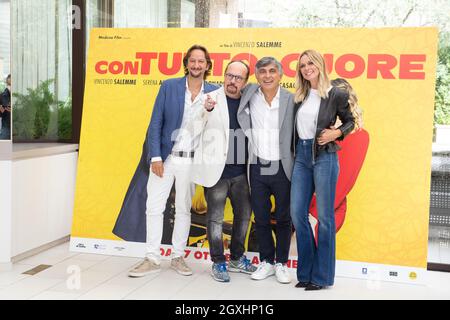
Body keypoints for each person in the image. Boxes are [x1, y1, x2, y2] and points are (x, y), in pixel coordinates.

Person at [112, 45, 218, 277]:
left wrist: (210, 111)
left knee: (183, 210)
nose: (197, 65)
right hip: (166, 160)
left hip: (191, 163)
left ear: (207, 65)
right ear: (186, 63)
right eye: (193, 61)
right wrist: (156, 157)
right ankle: (152, 258)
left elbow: (215, 130)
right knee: (154, 208)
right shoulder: (169, 86)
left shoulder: (214, 93)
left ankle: (177, 257)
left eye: (201, 61)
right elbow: (155, 123)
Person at [290, 50, 355, 291]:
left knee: (325, 218)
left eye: (310, 63)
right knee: (298, 214)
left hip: (325, 156)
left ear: (320, 65)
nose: (306, 68)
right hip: (302, 157)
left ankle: (322, 276)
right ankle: (305, 272)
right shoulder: (300, 96)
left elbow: (350, 121)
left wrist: (336, 133)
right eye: (302, 65)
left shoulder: (335, 93)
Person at [191, 60, 257, 282]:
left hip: (242, 174)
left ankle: (237, 259)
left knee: (243, 218)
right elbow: (192, 128)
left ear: (245, 82)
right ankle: (218, 262)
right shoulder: (209, 99)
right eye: (229, 75)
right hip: (216, 174)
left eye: (238, 78)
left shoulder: (250, 103)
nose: (232, 81)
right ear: (224, 75)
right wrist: (205, 110)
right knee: (215, 219)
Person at [237, 57, 295, 284]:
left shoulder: (292, 99)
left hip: (283, 166)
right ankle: (267, 262)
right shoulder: (249, 94)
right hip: (258, 165)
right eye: (263, 72)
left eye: (272, 71)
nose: (267, 76)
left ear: (280, 75)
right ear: (257, 75)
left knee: (283, 218)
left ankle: (281, 263)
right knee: (260, 217)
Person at [308, 78, 370, 242]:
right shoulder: (322, 130)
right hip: (312, 208)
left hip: (323, 211)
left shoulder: (356, 137)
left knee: (311, 259)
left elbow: (342, 183)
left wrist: (312, 216)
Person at [0, 74, 11, 140]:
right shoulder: (2, 95)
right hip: (6, 126)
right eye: (9, 85)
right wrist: (1, 111)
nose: (9, 87)